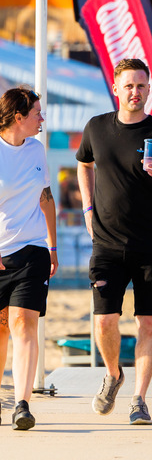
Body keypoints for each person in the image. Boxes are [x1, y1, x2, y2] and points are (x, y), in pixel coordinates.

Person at [77, 59, 152, 424]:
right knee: (105, 320)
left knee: (148, 323)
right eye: (128, 86)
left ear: (150, 89)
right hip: (106, 243)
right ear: (116, 88)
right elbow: (84, 163)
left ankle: (139, 398)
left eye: (141, 86)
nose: (135, 93)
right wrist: (88, 209)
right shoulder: (96, 127)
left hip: (151, 243)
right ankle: (113, 374)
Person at [0, 87, 58, 429]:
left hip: (32, 252)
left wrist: (52, 246)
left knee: (24, 324)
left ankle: (22, 404)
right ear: (18, 118)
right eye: (37, 113)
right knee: (1, 329)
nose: (42, 118)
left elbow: (46, 197)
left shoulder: (37, 149)